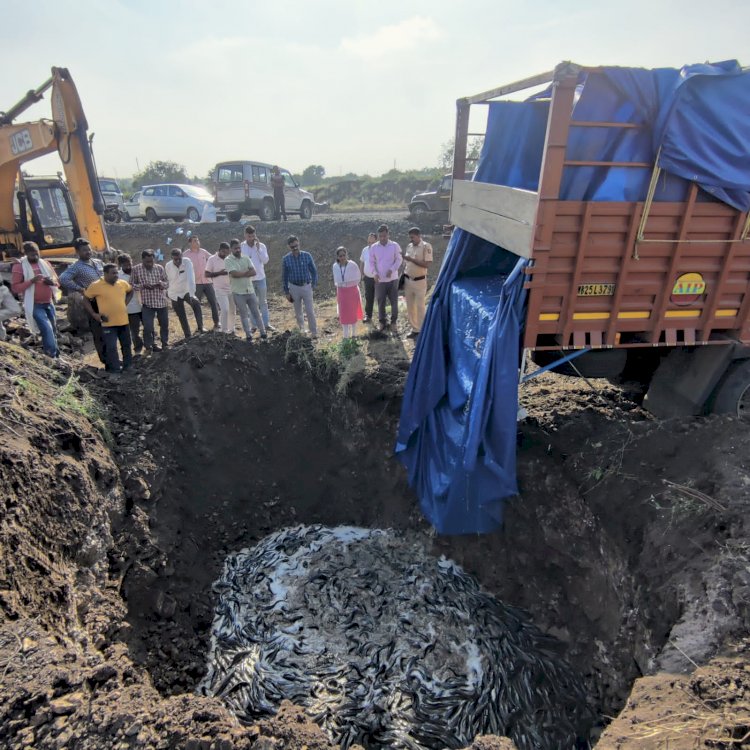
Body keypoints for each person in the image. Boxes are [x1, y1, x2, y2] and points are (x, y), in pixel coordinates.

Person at [10, 241, 60, 357]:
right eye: (32, 255)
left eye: (37, 254)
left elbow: (57, 283)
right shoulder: (20, 266)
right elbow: (15, 288)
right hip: (34, 304)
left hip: (49, 302)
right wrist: (32, 281)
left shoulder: (45, 263)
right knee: (46, 328)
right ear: (26, 253)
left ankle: (56, 355)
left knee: (53, 329)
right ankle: (51, 355)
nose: (36, 257)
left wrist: (51, 282)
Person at [59, 237, 105, 362]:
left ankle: (112, 356)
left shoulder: (97, 262)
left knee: (109, 329)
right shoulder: (76, 266)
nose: (88, 252)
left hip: (106, 299)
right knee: (98, 331)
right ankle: (105, 359)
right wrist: (79, 288)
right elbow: (63, 279)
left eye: (89, 249)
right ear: (78, 252)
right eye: (84, 250)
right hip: (92, 301)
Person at [83, 264, 133, 374]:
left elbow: (130, 291)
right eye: (113, 273)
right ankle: (115, 370)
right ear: (105, 274)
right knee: (111, 347)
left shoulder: (122, 283)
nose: (116, 275)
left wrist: (124, 304)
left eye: (117, 273)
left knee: (126, 345)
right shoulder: (96, 285)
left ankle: (128, 366)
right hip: (108, 323)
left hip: (123, 321)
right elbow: (86, 299)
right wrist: (94, 314)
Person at [224, 239, 267, 341]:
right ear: (231, 249)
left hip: (249, 290)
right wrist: (245, 273)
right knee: (244, 314)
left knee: (256, 312)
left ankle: (263, 332)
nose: (238, 250)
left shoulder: (246, 258)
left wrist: (241, 274)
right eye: (235, 248)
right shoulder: (228, 260)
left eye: (239, 248)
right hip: (238, 292)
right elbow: (233, 274)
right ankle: (248, 335)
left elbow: (253, 272)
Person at [130, 249, 169, 353]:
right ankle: (149, 347)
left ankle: (165, 344)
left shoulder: (159, 268)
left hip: (161, 302)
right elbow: (131, 285)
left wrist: (161, 284)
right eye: (147, 262)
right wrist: (142, 286)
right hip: (147, 304)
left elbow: (167, 283)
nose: (150, 264)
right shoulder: (136, 269)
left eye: (152, 261)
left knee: (164, 324)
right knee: (148, 327)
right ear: (142, 260)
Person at [282, 235, 318, 338]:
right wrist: (287, 292)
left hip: (306, 286)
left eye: (296, 245)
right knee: (298, 312)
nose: (295, 248)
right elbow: (284, 276)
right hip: (294, 287)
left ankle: (314, 332)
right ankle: (302, 331)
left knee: (310, 311)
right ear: (289, 246)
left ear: (299, 243)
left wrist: (314, 284)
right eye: (292, 247)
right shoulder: (286, 259)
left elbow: (314, 271)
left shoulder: (307, 256)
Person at [370, 224, 402, 334]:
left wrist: (392, 269)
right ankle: (382, 322)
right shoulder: (374, 247)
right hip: (379, 281)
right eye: (381, 236)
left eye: (384, 236)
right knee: (381, 302)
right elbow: (371, 262)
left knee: (394, 302)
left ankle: (393, 323)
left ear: (388, 234)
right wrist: (374, 273)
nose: (383, 238)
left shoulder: (395, 246)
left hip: (393, 279)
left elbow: (399, 260)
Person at [403, 227, 434, 338]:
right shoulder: (409, 246)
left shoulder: (426, 246)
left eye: (413, 237)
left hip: (420, 281)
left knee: (420, 306)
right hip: (408, 280)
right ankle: (415, 329)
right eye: (410, 237)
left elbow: (427, 264)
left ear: (419, 235)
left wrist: (411, 260)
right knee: (410, 306)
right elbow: (406, 262)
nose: (411, 239)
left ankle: (423, 329)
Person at [166, 248, 204, 339]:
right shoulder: (168, 266)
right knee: (181, 315)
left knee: (196, 303)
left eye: (179, 258)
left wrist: (192, 294)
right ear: (172, 258)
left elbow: (191, 277)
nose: (178, 261)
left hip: (186, 290)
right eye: (175, 259)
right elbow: (169, 280)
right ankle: (188, 335)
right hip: (174, 293)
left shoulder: (187, 262)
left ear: (182, 256)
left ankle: (201, 328)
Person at [241, 225, 273, 330]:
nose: (251, 238)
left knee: (263, 302)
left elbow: (265, 261)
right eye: (249, 236)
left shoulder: (261, 246)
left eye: (253, 236)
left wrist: (258, 249)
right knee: (251, 303)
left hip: (260, 278)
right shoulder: (241, 247)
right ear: (245, 235)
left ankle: (266, 324)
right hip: (248, 280)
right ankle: (254, 325)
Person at [183, 235, 219, 329]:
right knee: (196, 305)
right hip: (196, 283)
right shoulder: (185, 255)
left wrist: (216, 255)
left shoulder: (203, 252)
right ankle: (200, 326)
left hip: (207, 281)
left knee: (214, 302)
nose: (197, 242)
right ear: (190, 243)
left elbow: (212, 259)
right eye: (195, 241)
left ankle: (217, 323)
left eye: (198, 240)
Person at [205, 242, 236, 334]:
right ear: (219, 250)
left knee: (232, 310)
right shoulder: (212, 259)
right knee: (225, 309)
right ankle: (224, 330)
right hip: (219, 289)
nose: (225, 254)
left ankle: (232, 329)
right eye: (223, 252)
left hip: (231, 288)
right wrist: (219, 273)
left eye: (227, 253)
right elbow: (206, 274)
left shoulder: (230, 258)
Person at [332, 247, 363, 338]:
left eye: (344, 255)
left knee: (353, 313)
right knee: (343, 313)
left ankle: (354, 334)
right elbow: (336, 280)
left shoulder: (352, 265)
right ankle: (346, 335)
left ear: (346, 255)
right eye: (340, 256)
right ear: (337, 256)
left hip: (352, 291)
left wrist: (350, 284)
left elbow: (358, 277)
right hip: (341, 292)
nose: (342, 257)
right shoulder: (335, 266)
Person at [117, 254, 143, 353]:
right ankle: (138, 349)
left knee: (149, 328)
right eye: (125, 265)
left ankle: (151, 345)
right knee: (135, 332)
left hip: (144, 305)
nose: (128, 267)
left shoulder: (138, 272)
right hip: (130, 308)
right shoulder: (118, 276)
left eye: (130, 264)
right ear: (120, 265)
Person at [359, 232, 377, 323]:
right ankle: (368, 315)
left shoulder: (379, 250)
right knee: (368, 297)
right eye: (369, 242)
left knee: (381, 297)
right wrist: (362, 274)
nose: (370, 244)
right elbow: (362, 262)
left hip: (378, 278)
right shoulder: (365, 250)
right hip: (368, 278)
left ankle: (383, 317)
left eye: (372, 242)